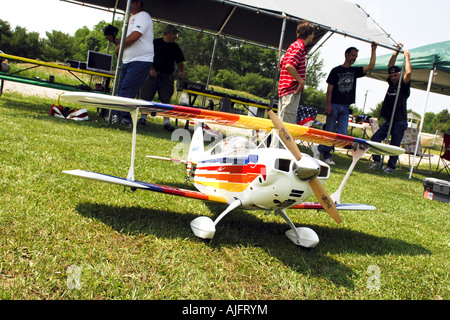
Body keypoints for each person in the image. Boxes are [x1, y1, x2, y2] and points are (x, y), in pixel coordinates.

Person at [312, 43, 377, 165]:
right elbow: (329, 89)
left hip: (346, 107)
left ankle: (319, 148)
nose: (354, 58)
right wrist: (328, 105)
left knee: (342, 134)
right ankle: (327, 155)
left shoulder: (354, 71)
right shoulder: (336, 70)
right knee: (330, 131)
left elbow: (371, 66)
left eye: (356, 56)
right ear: (346, 55)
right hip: (334, 104)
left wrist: (373, 49)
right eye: (353, 55)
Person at [105, 0, 154, 125]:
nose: (127, 5)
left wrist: (119, 46)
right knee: (122, 89)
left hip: (141, 60)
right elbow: (126, 40)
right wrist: (115, 40)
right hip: (128, 60)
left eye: (130, 2)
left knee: (127, 89)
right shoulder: (131, 19)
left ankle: (118, 116)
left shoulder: (143, 16)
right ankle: (125, 118)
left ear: (138, 3)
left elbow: (135, 36)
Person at [369, 46, 412, 174]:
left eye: (395, 75)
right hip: (389, 120)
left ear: (399, 75)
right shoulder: (391, 83)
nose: (393, 77)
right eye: (391, 75)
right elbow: (390, 65)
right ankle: (376, 161)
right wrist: (395, 52)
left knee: (394, 145)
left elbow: (408, 73)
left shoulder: (403, 85)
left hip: (399, 120)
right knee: (375, 139)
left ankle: (390, 167)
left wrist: (407, 57)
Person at [139, 24, 185, 132]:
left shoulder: (175, 47)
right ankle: (143, 118)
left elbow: (180, 61)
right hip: (152, 74)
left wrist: (181, 71)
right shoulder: (156, 43)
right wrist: (151, 68)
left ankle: (166, 122)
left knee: (166, 99)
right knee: (146, 96)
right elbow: (147, 56)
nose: (175, 36)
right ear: (167, 34)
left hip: (167, 76)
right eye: (174, 34)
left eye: (176, 34)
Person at [277, 21, 315, 124]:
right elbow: (289, 65)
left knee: (281, 123)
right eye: (313, 33)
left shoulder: (293, 45)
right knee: (286, 125)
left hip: (285, 89)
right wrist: (300, 81)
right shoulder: (300, 47)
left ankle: (277, 141)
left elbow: (282, 65)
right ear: (309, 34)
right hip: (291, 89)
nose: (313, 36)